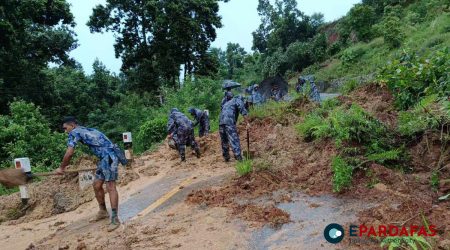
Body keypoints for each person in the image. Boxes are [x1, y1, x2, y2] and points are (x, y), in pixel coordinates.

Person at [56, 116, 121, 232]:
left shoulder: (74, 132)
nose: (65, 131)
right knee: (96, 185)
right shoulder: (89, 130)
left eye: (66, 128)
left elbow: (70, 152)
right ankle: (103, 211)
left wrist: (61, 168)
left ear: (72, 125)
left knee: (111, 187)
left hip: (109, 158)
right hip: (105, 159)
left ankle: (115, 219)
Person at [219, 95, 250, 162]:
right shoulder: (237, 100)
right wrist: (247, 123)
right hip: (229, 122)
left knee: (224, 140)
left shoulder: (227, 103)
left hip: (221, 122)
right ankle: (239, 157)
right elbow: (243, 111)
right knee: (234, 139)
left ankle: (226, 157)